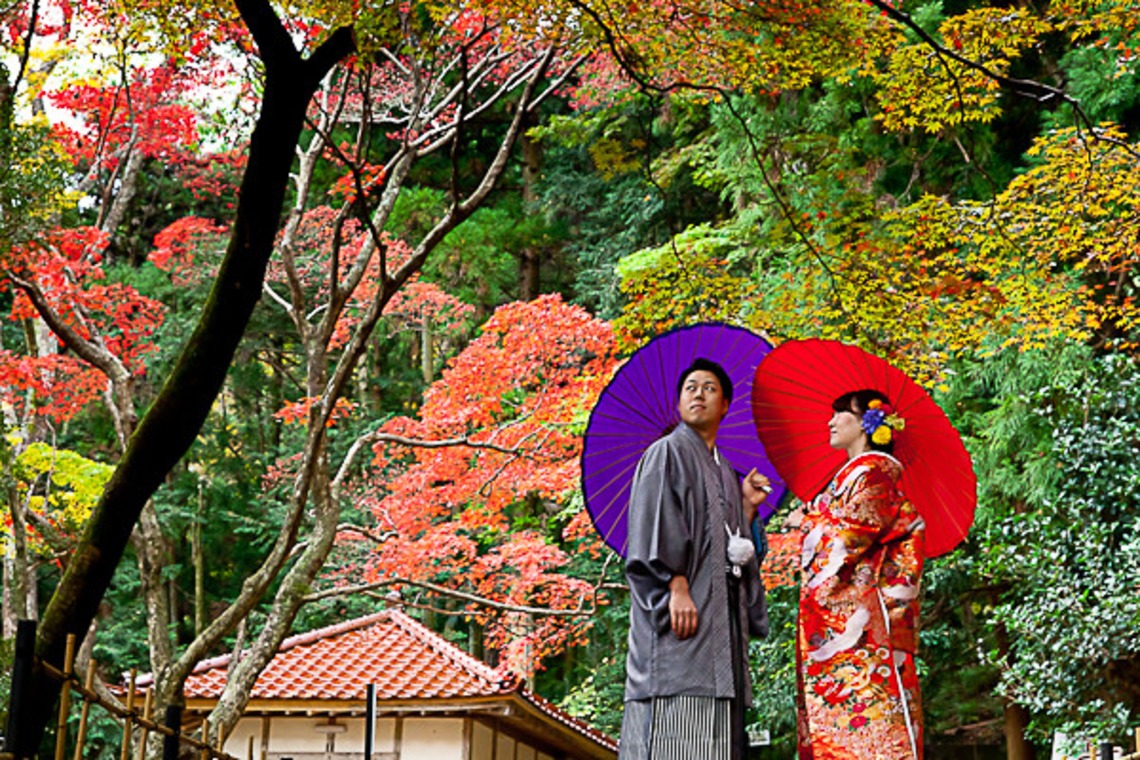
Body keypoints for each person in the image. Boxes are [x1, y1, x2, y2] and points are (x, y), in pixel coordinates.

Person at [619, 357, 771, 760]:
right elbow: (654, 524)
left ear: (724, 405)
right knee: (677, 728)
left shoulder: (727, 473)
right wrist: (676, 583)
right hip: (681, 622)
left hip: (720, 632)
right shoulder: (665, 453)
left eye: (709, 387)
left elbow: (733, 547)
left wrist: (748, 510)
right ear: (678, 403)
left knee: (721, 739)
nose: (698, 393)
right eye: (690, 387)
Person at [786, 389, 925, 760]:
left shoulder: (874, 472)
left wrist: (807, 522)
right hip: (849, 631)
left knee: (870, 729)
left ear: (867, 422)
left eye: (839, 414)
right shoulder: (854, 475)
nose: (830, 422)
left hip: (866, 630)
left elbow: (849, 536)